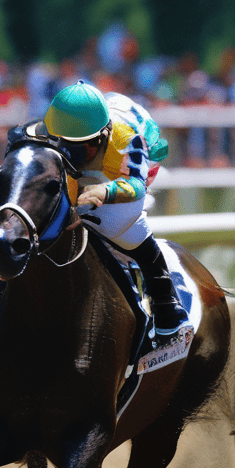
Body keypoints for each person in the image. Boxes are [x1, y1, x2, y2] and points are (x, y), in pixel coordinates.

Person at [42, 80, 185, 339]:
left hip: (134, 164)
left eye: (85, 146)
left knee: (119, 225)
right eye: (68, 146)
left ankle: (167, 303)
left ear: (104, 134)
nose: (77, 155)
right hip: (99, 127)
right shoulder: (52, 132)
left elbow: (136, 186)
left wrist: (106, 191)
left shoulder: (127, 138)